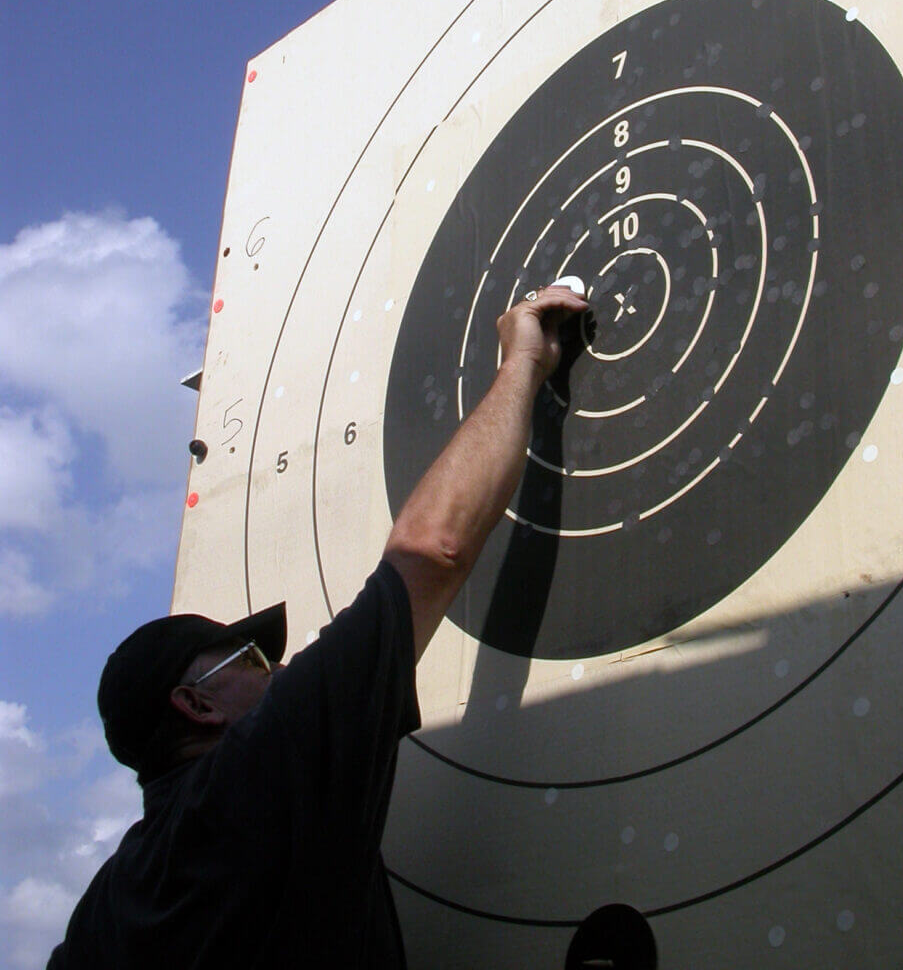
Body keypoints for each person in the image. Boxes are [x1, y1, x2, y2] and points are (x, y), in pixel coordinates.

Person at [48, 283, 588, 969]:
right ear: (196, 703)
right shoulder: (260, 769)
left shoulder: (108, 902)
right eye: (247, 659)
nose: (275, 669)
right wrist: (523, 364)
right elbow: (433, 551)